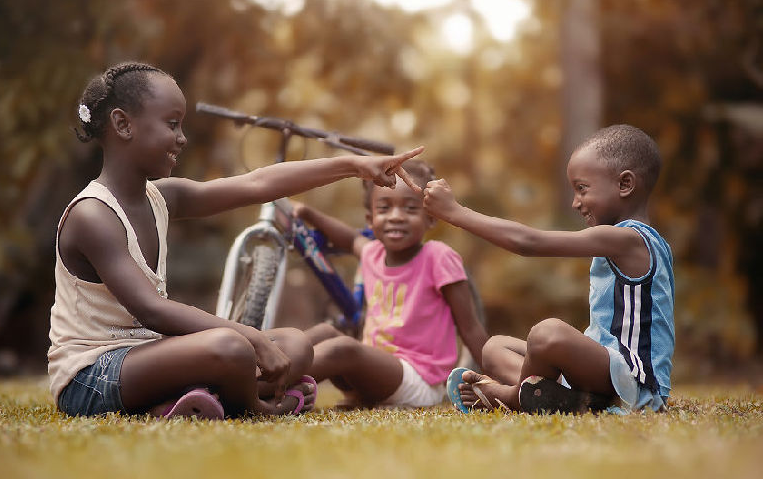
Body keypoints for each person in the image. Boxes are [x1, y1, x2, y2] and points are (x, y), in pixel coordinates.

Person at [48, 61, 423, 419]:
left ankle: (188, 400)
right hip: (92, 376)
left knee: (295, 343)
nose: (182, 138)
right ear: (122, 124)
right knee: (231, 346)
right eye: (172, 124)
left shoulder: (161, 198)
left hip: (143, 354)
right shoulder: (92, 215)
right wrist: (250, 337)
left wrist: (353, 166)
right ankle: (255, 406)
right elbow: (153, 311)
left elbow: (257, 184)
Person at [424, 125, 674, 414]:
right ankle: (566, 400)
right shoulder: (621, 239)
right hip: (600, 374)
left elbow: (528, 242)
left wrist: (457, 213)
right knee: (494, 348)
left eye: (582, 189)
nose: (575, 202)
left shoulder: (629, 239)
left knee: (546, 334)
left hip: (634, 384)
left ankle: (512, 397)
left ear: (625, 184)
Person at [292, 159, 489, 408]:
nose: (396, 217)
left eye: (410, 209)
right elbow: (348, 238)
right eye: (384, 209)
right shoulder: (372, 253)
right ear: (370, 220)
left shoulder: (438, 257)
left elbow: (470, 328)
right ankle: (263, 366)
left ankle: (269, 386)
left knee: (343, 348)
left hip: (417, 380)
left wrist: (493, 379)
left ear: (431, 218)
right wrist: (311, 215)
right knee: (324, 333)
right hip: (368, 375)